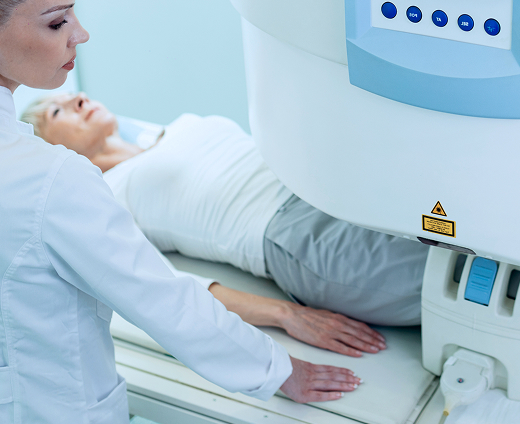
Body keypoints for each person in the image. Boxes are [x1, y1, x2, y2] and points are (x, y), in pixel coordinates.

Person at [0, 0, 360, 424]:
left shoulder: (69, 165)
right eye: (56, 22)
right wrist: (278, 368)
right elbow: (161, 298)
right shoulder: (51, 180)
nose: (81, 34)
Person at [23, 90, 428, 332]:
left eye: (69, 96)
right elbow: (158, 285)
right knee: (457, 287)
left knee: (472, 242)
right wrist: (284, 315)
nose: (77, 97)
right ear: (49, 149)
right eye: (57, 111)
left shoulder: (173, 128)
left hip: (333, 189)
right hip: (297, 236)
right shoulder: (108, 193)